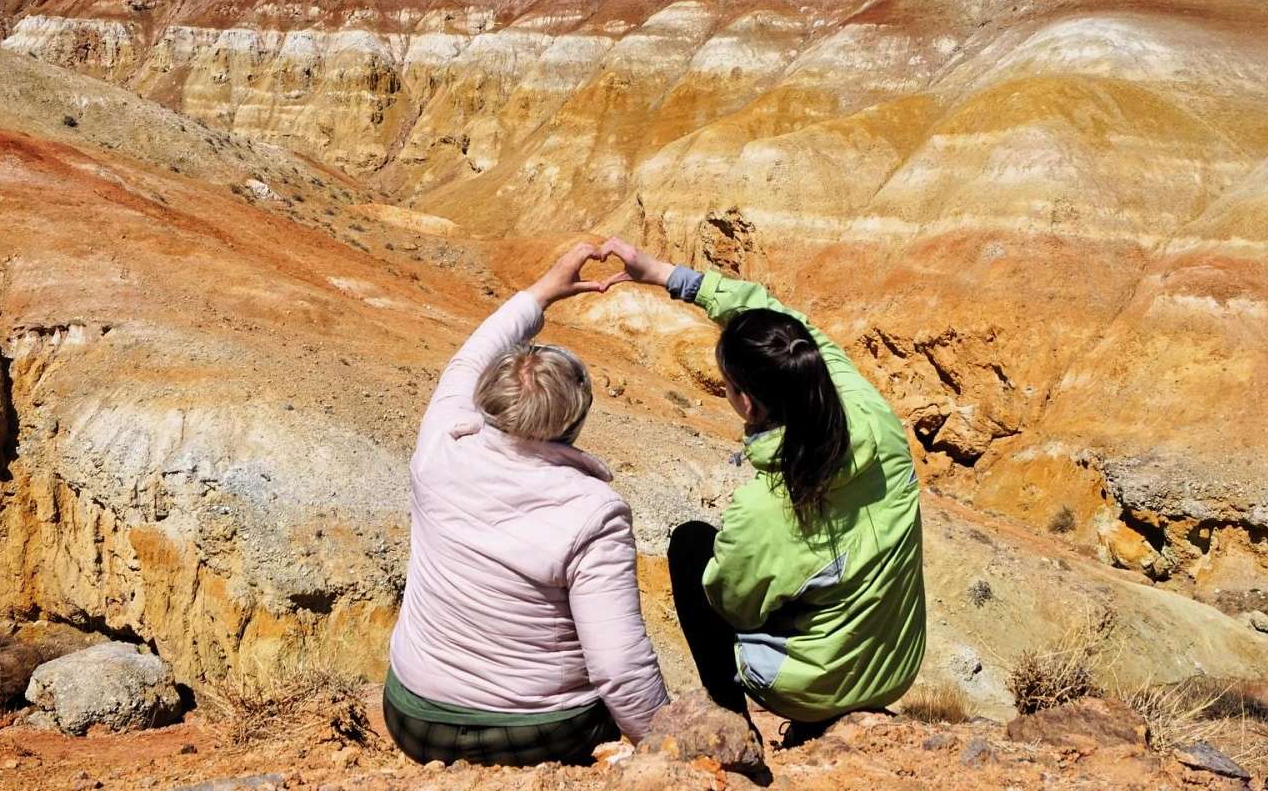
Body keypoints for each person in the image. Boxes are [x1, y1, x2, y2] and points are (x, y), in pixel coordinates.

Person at [602, 238, 926, 745]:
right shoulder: (875, 418)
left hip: (813, 690)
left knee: (692, 547)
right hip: (895, 668)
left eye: (727, 386)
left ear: (747, 404)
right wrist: (667, 274)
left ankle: (734, 726)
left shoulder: (766, 508)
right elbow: (786, 324)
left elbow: (732, 608)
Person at [385, 241, 667, 767]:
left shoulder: (441, 443)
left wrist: (543, 291)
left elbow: (471, 355)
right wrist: (668, 749)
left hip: (412, 718)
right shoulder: (593, 511)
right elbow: (619, 666)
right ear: (573, 422)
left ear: (486, 398)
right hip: (540, 731)